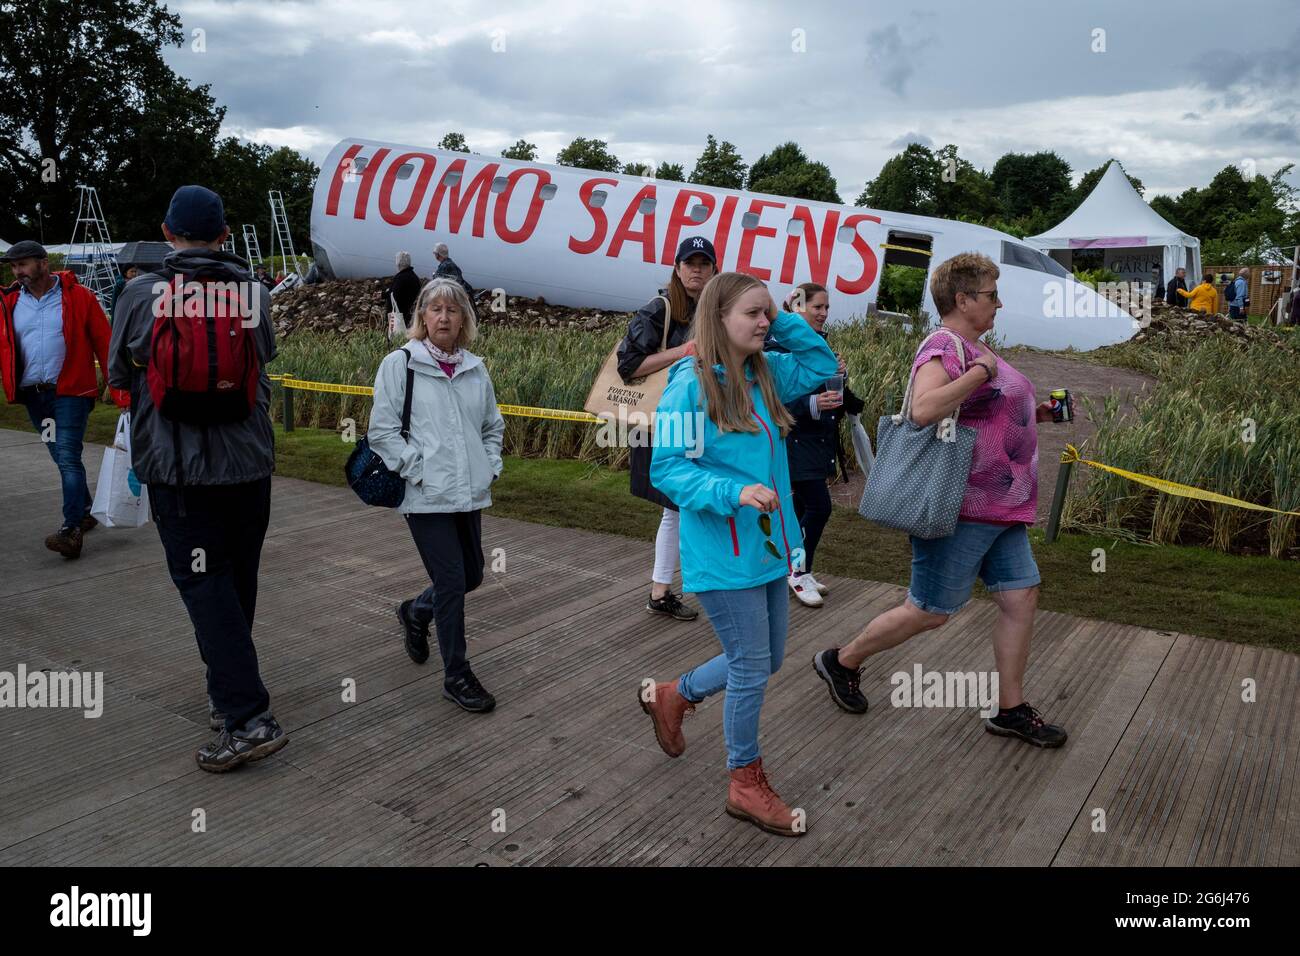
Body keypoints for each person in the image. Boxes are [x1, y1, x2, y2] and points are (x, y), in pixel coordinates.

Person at [812, 252, 1069, 749]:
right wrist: (981, 374)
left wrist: (1031, 414)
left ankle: (1010, 708)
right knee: (929, 610)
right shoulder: (944, 346)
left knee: (1021, 597)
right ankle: (841, 660)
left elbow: (980, 417)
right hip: (958, 509)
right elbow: (925, 408)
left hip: (1002, 510)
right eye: (991, 295)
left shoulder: (977, 346)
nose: (999, 303)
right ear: (963, 299)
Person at [640, 271, 838, 837]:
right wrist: (733, 493)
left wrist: (784, 317)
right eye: (752, 313)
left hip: (769, 545)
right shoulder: (689, 384)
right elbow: (668, 470)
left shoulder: (765, 372)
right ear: (718, 318)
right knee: (752, 666)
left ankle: (675, 694)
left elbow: (823, 365)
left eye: (767, 313)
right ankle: (744, 783)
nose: (764, 323)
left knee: (767, 658)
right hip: (723, 553)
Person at [109, 185, 287, 772]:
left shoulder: (139, 295)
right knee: (236, 581)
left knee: (203, 586)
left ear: (166, 233)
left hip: (178, 470)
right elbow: (265, 356)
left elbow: (117, 372)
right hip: (247, 465)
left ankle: (247, 716)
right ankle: (228, 695)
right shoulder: (254, 293)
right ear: (225, 235)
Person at [370, 278, 505, 713]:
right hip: (426, 496)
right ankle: (457, 675)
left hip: (469, 492)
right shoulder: (401, 364)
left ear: (464, 318)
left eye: (452, 310)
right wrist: (419, 470)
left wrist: (490, 466)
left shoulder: (475, 368)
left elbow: (492, 427)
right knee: (451, 582)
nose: (444, 317)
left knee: (472, 576)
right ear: (421, 318)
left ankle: (415, 611)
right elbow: (382, 432)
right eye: (435, 310)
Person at [0, 240, 128, 558]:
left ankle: (71, 529)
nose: (18, 272)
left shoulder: (80, 297)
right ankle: (84, 509)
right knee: (61, 457)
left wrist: (120, 393)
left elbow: (106, 345)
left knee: (68, 456)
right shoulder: (10, 301)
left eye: (24, 264)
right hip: (34, 396)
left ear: (44, 263)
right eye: (14, 266)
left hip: (71, 392)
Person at [616, 236, 717, 622]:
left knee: (682, 509)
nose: (696, 269)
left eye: (703, 263)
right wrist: (685, 351)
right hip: (665, 423)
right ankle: (668, 590)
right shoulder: (660, 309)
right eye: (689, 262)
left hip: (701, 423)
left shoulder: (715, 310)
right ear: (677, 268)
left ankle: (665, 590)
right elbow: (629, 365)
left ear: (713, 270)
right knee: (679, 509)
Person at [766, 282, 864, 608]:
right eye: (817, 307)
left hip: (816, 442)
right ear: (796, 308)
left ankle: (798, 570)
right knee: (819, 507)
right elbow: (774, 401)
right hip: (795, 443)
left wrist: (841, 384)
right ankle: (796, 572)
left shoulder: (818, 344)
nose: (823, 314)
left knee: (800, 511)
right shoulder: (780, 347)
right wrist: (813, 404)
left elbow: (825, 392)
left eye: (826, 308)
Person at [386, 251, 421, 326]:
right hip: (411, 317)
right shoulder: (415, 277)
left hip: (400, 318)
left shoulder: (400, 278)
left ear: (398, 263)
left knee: (396, 337)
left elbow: (394, 296)